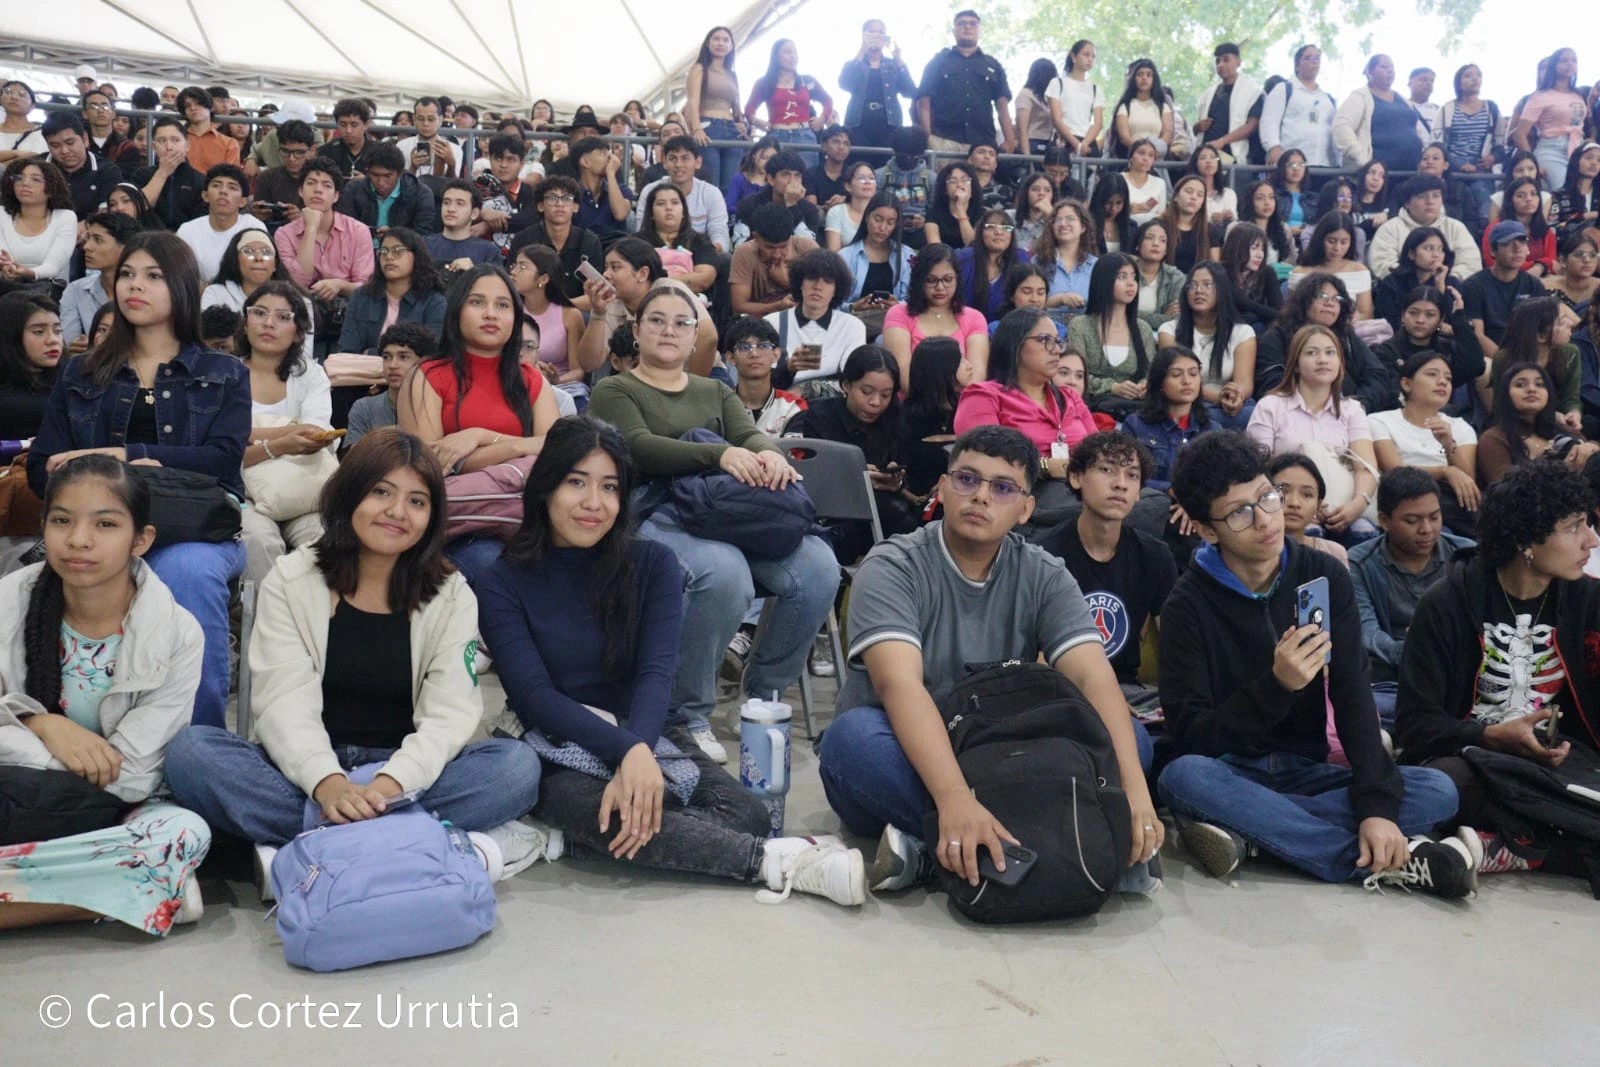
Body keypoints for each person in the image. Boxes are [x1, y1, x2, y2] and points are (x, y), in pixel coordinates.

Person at [473, 415, 863, 903]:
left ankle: (568, 839)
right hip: (558, 737)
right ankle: (777, 862)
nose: (594, 503)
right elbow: (535, 698)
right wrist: (629, 755)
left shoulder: (652, 563)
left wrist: (637, 748)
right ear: (545, 487)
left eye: (610, 487)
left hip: (649, 725)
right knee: (599, 807)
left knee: (748, 814)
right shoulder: (502, 580)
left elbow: (657, 675)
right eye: (576, 482)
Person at [164, 429, 547, 887]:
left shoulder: (451, 592)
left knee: (515, 768)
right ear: (349, 495)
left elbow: (449, 714)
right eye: (381, 492)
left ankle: (311, 848)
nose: (396, 512)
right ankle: (408, 844)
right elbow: (282, 701)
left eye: (417, 501)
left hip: (400, 772)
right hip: (303, 771)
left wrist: (387, 786)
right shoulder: (292, 578)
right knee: (192, 754)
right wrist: (328, 784)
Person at [816, 424, 1162, 893]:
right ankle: (1050, 845)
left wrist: (1137, 794)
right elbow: (900, 688)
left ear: (1025, 509)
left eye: (1002, 488)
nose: (980, 496)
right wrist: (954, 797)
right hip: (906, 751)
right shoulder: (893, 565)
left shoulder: (1042, 572)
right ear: (942, 488)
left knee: (1132, 744)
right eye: (966, 479)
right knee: (850, 741)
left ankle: (940, 851)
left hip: (995, 751)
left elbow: (1092, 675)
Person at [1155, 431, 1469, 893]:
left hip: (1308, 772)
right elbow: (1193, 736)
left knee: (1439, 788)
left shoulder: (1323, 574)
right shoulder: (1187, 604)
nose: (1265, 519)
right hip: (1230, 769)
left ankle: (1258, 836)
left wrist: (1377, 809)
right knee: (1182, 777)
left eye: (1267, 496)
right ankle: (1384, 860)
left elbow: (1353, 694)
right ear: (1206, 529)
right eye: (1240, 512)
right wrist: (1277, 686)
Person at [588, 285, 839, 763]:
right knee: (723, 574)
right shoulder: (615, 388)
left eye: (681, 323)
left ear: (694, 335)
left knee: (818, 567)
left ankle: (762, 696)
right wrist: (720, 454)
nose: (668, 330)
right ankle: (686, 714)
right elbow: (639, 447)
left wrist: (770, 458)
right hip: (654, 507)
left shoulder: (714, 389)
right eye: (656, 320)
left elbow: (748, 434)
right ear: (636, 331)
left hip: (719, 508)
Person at [26, 232, 247, 730]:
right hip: (102, 525)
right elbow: (43, 468)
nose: (134, 286)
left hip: (195, 526)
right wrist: (108, 478)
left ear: (184, 287)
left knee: (186, 573)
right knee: (69, 567)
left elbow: (223, 462)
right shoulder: (81, 372)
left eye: (153, 276)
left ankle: (200, 746)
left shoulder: (224, 371)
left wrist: (127, 456)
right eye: (127, 274)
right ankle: (70, 729)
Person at [0, 456, 210, 934]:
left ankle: (108, 887)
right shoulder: (8, 600)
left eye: (106, 524)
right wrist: (42, 724)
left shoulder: (178, 632)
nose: (78, 540)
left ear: (142, 540)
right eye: (62, 521)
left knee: (180, 836)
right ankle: (132, 894)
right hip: (17, 796)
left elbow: (133, 774)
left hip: (118, 810)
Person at [1394, 457, 1600, 878]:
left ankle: (1511, 848)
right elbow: (1414, 726)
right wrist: (1488, 735)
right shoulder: (1447, 603)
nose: (1592, 541)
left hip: (1558, 764)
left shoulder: (1588, 601)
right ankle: (1544, 841)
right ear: (1527, 539)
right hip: (1471, 758)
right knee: (1443, 787)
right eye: (1575, 526)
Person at [398, 265, 561, 584]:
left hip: (525, 515)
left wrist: (479, 437)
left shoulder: (530, 378)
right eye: (477, 302)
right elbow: (434, 464)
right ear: (457, 311)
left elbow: (558, 448)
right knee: (495, 567)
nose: (491, 314)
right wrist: (519, 449)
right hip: (460, 524)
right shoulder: (429, 374)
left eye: (503, 305)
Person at [1038, 431, 1177, 723]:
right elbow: (1036, 658)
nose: (1120, 484)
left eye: (1132, 475)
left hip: (1128, 691)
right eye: (1106, 470)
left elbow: (1176, 646)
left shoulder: (1155, 556)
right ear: (1076, 477)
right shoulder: (1044, 554)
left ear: (1139, 491)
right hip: (1061, 692)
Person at [1349, 465, 1475, 731]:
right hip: (1394, 683)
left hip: (1458, 677)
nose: (1427, 529)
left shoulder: (1466, 557)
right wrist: (1419, 651)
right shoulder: (1359, 564)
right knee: (1360, 711)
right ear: (1384, 520)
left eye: (1434, 517)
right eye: (1412, 520)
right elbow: (1367, 635)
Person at [954, 307, 1096, 523]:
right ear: (1015, 345)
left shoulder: (1070, 398)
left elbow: (1098, 449)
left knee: (1151, 502)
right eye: (1045, 340)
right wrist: (1045, 466)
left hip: (1078, 488)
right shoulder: (984, 395)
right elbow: (982, 461)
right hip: (1022, 497)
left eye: (1058, 341)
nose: (1056, 350)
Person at [235, 281, 332, 582]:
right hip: (241, 491)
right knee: (258, 540)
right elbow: (223, 452)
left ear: (299, 332)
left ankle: (312, 623)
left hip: (300, 488)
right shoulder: (225, 373)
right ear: (245, 321)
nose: (268, 323)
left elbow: (314, 435)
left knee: (323, 538)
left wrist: (250, 436)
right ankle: (260, 624)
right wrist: (284, 441)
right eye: (259, 313)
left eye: (282, 317)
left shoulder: (310, 374)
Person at [785, 345, 919, 557]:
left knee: (907, 527)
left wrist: (895, 481)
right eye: (866, 392)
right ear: (846, 385)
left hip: (885, 507)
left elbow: (904, 470)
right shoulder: (819, 417)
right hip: (833, 511)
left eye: (886, 395)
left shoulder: (896, 418)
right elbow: (810, 477)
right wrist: (856, 477)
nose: (875, 402)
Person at [1255, 273, 1393, 416]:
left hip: (1351, 412)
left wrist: (1359, 404)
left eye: (1337, 299)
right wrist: (1322, 405)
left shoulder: (1346, 336)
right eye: (1322, 296)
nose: (1330, 303)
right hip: (1296, 414)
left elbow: (1377, 375)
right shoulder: (1276, 337)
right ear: (1304, 301)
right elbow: (1270, 382)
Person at [577, 241, 719, 378]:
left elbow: (708, 336)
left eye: (615, 267)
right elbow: (589, 364)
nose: (606, 275)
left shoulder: (670, 291)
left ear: (642, 274)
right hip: (647, 379)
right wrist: (598, 314)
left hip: (701, 375)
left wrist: (691, 390)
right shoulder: (612, 301)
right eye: (606, 267)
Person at [1159, 261, 1257, 428]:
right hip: (1185, 402)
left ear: (1222, 290)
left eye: (1207, 285)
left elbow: (1245, 382)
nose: (1198, 291)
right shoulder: (1169, 331)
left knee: (1252, 413)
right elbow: (1173, 382)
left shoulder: (1242, 332)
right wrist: (1220, 397)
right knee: (1193, 416)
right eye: (1193, 285)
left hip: (1228, 407)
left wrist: (1236, 395)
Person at [273, 158, 375, 312]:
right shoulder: (284, 234)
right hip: (301, 310)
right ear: (301, 191)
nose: (318, 190)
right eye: (311, 183)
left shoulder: (358, 231)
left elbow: (365, 288)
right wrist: (311, 229)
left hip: (350, 311)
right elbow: (297, 283)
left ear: (336, 196)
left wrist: (339, 285)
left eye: (326, 185)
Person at [881, 242, 990, 386]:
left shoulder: (974, 318)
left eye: (948, 279)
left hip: (961, 403)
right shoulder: (899, 314)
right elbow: (903, 376)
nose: (940, 287)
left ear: (957, 279)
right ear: (919, 280)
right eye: (931, 280)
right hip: (914, 403)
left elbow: (977, 376)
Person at [764, 248, 867, 394]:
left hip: (831, 404)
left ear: (836, 289)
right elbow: (761, 381)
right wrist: (788, 368)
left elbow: (852, 381)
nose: (818, 287)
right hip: (783, 403)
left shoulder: (852, 327)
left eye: (827, 281)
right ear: (800, 283)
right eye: (812, 278)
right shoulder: (771, 323)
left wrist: (807, 389)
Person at [1371, 287, 1485, 419]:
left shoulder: (1446, 349)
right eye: (1413, 313)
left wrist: (1458, 318)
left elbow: (1475, 366)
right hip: (1402, 418)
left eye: (1430, 315)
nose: (1420, 320)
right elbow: (1391, 394)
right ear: (1403, 316)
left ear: (1441, 320)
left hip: (1445, 417)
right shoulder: (1387, 351)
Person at [1477, 362, 1597, 485]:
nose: (1531, 389)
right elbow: (1506, 492)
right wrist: (1563, 470)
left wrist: (1591, 447)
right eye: (1520, 385)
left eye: (1539, 384)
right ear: (1505, 395)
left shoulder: (1562, 428)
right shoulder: (1493, 438)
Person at [916, 10, 1015, 154]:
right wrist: (927, 135)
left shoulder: (993, 65)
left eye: (972, 24)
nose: (967, 27)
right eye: (961, 24)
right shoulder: (938, 62)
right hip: (943, 140)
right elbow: (924, 100)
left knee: (980, 177)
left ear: (979, 30)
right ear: (954, 31)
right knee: (945, 177)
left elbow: (1002, 106)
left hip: (983, 142)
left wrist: (1010, 139)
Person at [335, 226, 446, 356]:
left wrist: (372, 352)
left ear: (416, 256)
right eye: (383, 251)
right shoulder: (361, 296)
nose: (389, 257)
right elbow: (347, 349)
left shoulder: (434, 302)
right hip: (360, 373)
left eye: (397, 251)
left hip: (414, 374)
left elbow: (430, 352)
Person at [1067, 253, 1155, 416]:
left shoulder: (1143, 329)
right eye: (1122, 277)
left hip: (1133, 410)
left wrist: (1144, 386)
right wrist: (1112, 387)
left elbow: (1151, 373)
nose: (1131, 284)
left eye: (1134, 277)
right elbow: (1075, 374)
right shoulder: (1080, 325)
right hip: (1091, 409)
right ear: (1104, 281)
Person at [1124, 344, 1218, 493]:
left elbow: (1220, 480)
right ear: (1159, 381)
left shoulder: (1212, 430)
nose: (1187, 381)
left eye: (1193, 374)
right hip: (1150, 505)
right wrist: (1169, 490)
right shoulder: (1135, 424)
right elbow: (1127, 475)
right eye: (1176, 375)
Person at [1465, 225, 1564, 362]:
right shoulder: (1474, 286)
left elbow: (1547, 325)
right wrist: (1505, 363)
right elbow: (1477, 335)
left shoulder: (1533, 284)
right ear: (1493, 251)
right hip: (1491, 356)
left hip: (1530, 352)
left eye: (1522, 242)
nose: (1517, 249)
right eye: (1507, 244)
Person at [506, 175, 606, 307]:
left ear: (575, 207)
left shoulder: (589, 242)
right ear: (540, 206)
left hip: (577, 312)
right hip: (530, 311)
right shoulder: (524, 239)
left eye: (566, 199)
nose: (560, 204)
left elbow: (597, 295)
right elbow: (512, 287)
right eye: (552, 198)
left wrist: (560, 309)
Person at [1487, 296, 1583, 428]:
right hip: (1517, 422)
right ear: (1541, 336)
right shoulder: (1504, 358)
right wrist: (1548, 416)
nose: (1571, 323)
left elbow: (1571, 397)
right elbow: (1502, 405)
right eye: (1561, 322)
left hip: (1559, 420)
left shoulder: (1571, 353)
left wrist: (1573, 413)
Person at [1368, 175, 1483, 282]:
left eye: (1436, 195)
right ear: (1407, 203)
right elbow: (1382, 264)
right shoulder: (1390, 228)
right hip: (1402, 291)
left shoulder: (1455, 227)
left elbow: (1470, 263)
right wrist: (1418, 280)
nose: (1430, 202)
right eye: (1422, 196)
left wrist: (1446, 280)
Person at [508, 243, 587, 399]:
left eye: (522, 267)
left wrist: (555, 380)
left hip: (560, 389)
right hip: (516, 384)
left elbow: (578, 371)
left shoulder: (570, 316)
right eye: (514, 265)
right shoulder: (509, 311)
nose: (513, 272)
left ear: (543, 279)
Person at [630, 135, 731, 254]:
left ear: (697, 162)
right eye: (672, 158)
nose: (678, 164)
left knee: (725, 260)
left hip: (700, 253)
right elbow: (643, 228)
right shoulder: (650, 191)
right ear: (664, 162)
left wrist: (709, 251)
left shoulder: (712, 193)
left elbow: (718, 230)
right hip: (656, 253)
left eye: (685, 158)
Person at [345, 321, 436, 451]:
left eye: (403, 357)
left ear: (425, 363)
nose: (392, 365)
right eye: (387, 357)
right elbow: (354, 460)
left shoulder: (438, 407)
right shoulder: (364, 408)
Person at [898, 336, 969, 501]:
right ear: (942, 368)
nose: (969, 366)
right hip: (919, 501)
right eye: (961, 360)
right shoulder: (904, 417)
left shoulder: (969, 409)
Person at [742, 39, 835, 159]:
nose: (793, 56)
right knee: (776, 174)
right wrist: (757, 122)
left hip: (804, 135)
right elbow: (749, 109)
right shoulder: (764, 83)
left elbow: (827, 100)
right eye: (787, 52)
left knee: (806, 175)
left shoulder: (807, 81)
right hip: (776, 135)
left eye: (795, 52)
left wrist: (823, 118)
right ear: (776, 57)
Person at [58, 212, 136, 351]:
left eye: (98, 240)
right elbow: (71, 344)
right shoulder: (75, 290)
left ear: (125, 247)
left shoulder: (143, 291)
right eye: (88, 238)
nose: (87, 247)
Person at [1333, 55, 1425, 172]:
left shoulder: (1403, 100)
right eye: (1384, 67)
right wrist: (1362, 159)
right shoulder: (1360, 97)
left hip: (1410, 172)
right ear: (1370, 72)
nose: (1390, 71)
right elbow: (1341, 127)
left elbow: (1417, 131)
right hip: (1378, 176)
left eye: (1392, 67)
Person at [174, 163, 266, 280]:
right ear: (205, 196)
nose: (223, 191)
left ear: (243, 201)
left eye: (232, 187)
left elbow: (259, 275)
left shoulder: (253, 228)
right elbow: (180, 278)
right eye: (216, 185)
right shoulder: (187, 231)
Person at [838, 19, 919, 150]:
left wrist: (898, 59)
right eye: (872, 32)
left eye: (881, 32)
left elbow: (910, 91)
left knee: (885, 165)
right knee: (858, 164)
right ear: (863, 35)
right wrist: (862, 50)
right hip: (858, 125)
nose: (876, 36)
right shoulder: (855, 62)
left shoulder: (893, 64)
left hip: (889, 126)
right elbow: (844, 83)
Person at [1511, 49, 1587, 188]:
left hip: (1578, 150)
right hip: (1552, 150)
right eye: (1564, 60)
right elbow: (1519, 133)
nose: (1570, 64)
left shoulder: (1578, 95)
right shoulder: (1540, 96)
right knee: (1563, 195)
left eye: (1574, 60)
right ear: (1554, 65)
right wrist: (1533, 164)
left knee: (1581, 199)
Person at [684, 27, 747, 193]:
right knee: (710, 183)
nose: (721, 43)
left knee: (730, 184)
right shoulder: (699, 68)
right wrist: (696, 128)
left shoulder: (732, 74)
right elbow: (693, 101)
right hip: (708, 127)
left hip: (731, 130)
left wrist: (740, 123)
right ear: (708, 43)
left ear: (732, 46)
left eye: (726, 40)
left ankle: (727, 218)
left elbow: (736, 106)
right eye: (716, 39)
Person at [0, 160, 77, 293]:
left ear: (52, 188)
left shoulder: (65, 217)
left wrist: (29, 273)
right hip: (6, 286)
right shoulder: (2, 214)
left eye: (35, 179)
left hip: (48, 290)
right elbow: (4, 257)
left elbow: (53, 266)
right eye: (19, 178)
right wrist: (6, 268)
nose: (25, 183)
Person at [335, 143, 439, 239]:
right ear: (367, 172)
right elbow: (344, 229)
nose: (381, 182)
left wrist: (396, 237)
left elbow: (424, 237)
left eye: (387, 176)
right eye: (375, 175)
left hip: (404, 254)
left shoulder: (421, 194)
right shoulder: (353, 190)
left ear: (399, 173)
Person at [1259, 44, 1339, 168]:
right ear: (1297, 64)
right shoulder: (1284, 89)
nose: (1314, 61)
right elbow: (1269, 121)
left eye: (1317, 58)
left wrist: (1338, 163)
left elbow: (1336, 132)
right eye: (1308, 58)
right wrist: (1273, 147)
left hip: (1324, 163)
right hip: (1292, 164)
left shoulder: (1328, 99)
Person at [724, 316, 806, 436]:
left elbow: (795, 452)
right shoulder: (721, 405)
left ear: (776, 354)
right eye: (744, 347)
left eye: (763, 346)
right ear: (730, 357)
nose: (754, 354)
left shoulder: (793, 406)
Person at [1268, 452, 1351, 566]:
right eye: (1283, 491)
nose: (1294, 503)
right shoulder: (1249, 553)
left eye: (1307, 495)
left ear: (1318, 505)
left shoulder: (1334, 553)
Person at [839, 192, 914, 315]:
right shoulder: (846, 256)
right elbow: (834, 302)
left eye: (890, 222)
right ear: (867, 217)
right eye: (878, 220)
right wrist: (853, 307)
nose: (883, 228)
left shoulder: (906, 256)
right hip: (855, 320)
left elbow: (912, 299)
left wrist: (898, 306)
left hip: (894, 321)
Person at [0, 291, 62, 439]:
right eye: (39, 332)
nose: (53, 340)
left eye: (58, 331)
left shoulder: (72, 377)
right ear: (11, 336)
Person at [1290, 212, 1374, 320]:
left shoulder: (1359, 270)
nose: (1337, 248)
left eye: (1344, 242)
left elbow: (1365, 313)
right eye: (1331, 241)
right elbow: (1293, 313)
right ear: (1320, 239)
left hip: (1349, 330)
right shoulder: (1300, 273)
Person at [135, 115, 211, 231]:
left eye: (175, 140)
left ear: (187, 146)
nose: (169, 147)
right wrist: (163, 172)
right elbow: (137, 208)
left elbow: (200, 224)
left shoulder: (200, 180)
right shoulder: (141, 175)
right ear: (154, 147)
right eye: (162, 141)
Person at [42, 113, 122, 222]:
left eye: (70, 143)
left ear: (85, 139)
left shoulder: (107, 170)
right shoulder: (36, 168)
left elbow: (107, 214)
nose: (64, 151)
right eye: (55, 146)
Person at [954, 207, 1029, 322]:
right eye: (991, 226)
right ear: (980, 232)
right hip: (966, 324)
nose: (999, 232)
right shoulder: (965, 258)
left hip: (1009, 327)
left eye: (1006, 227)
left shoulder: (1021, 258)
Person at [1373, 226, 1456, 329]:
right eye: (1428, 248)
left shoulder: (1452, 283)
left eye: (1440, 249)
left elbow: (1455, 323)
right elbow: (1391, 323)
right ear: (1412, 253)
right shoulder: (1392, 283)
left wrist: (1440, 288)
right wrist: (1437, 327)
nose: (1436, 255)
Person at [1194, 43, 1263, 164]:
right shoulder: (1208, 94)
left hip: (1233, 156)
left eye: (1226, 60)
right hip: (1206, 155)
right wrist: (1197, 127)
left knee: (1229, 182)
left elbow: (1251, 126)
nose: (1221, 65)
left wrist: (1222, 142)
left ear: (1238, 62)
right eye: (1218, 61)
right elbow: (1196, 130)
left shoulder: (1252, 91)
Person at [734, 150, 823, 240]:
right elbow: (739, 245)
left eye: (797, 175)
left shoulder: (809, 210)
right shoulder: (749, 205)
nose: (792, 181)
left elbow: (808, 247)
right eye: (785, 175)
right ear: (771, 179)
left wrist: (792, 206)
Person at [1034, 199, 1097, 317]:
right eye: (1058, 220)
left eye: (1070, 219)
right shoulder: (1038, 262)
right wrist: (1060, 299)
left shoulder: (1096, 265)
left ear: (1083, 227)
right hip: (1046, 330)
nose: (1063, 224)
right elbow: (1029, 304)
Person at [1484, 178, 1557, 276]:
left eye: (1533, 194)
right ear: (1510, 201)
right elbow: (1493, 263)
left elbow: (1553, 264)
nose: (1529, 199)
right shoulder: (1495, 228)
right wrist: (1540, 265)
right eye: (1520, 195)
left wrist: (1542, 266)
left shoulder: (1545, 230)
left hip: (1542, 282)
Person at [1046, 40, 1106, 157]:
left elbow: (1098, 123)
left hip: (1087, 142)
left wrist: (1084, 144)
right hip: (1064, 140)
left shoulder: (1095, 88)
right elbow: (1056, 119)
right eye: (1086, 54)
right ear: (1073, 56)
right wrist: (1076, 144)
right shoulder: (1057, 83)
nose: (1090, 59)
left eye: (1093, 56)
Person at [425, 180, 500, 271]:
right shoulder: (423, 245)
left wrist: (473, 272)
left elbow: (496, 284)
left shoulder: (489, 252)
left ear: (474, 213)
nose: (451, 209)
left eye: (460, 204)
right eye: (446, 203)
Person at [1220, 222, 1282, 331]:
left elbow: (1280, 311)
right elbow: (1242, 302)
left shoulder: (1267, 272)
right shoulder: (1220, 272)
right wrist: (1263, 314)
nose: (1260, 255)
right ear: (1237, 247)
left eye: (1262, 249)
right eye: (1254, 248)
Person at [1111, 59, 1175, 159]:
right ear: (1133, 79)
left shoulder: (1163, 107)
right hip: (1130, 156)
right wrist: (1141, 152)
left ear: (1154, 80)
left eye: (1149, 75)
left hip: (1156, 157)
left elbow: (1167, 134)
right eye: (1140, 74)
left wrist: (1153, 152)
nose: (1144, 78)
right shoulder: (1125, 106)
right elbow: (1124, 137)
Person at [172, 86, 239, 174]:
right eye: (187, 106)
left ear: (210, 107)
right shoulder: (174, 141)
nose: (193, 108)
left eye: (199, 103)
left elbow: (232, 177)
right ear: (184, 111)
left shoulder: (229, 144)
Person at [395, 97, 462, 179]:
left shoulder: (454, 149)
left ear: (440, 120)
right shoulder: (401, 146)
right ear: (414, 119)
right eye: (420, 119)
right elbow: (398, 184)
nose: (426, 123)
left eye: (431, 119)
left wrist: (451, 165)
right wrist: (413, 168)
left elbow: (453, 187)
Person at [822, 161, 881, 251]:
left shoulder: (882, 212)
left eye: (871, 178)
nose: (867, 182)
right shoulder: (837, 212)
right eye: (861, 178)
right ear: (848, 186)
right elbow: (834, 254)